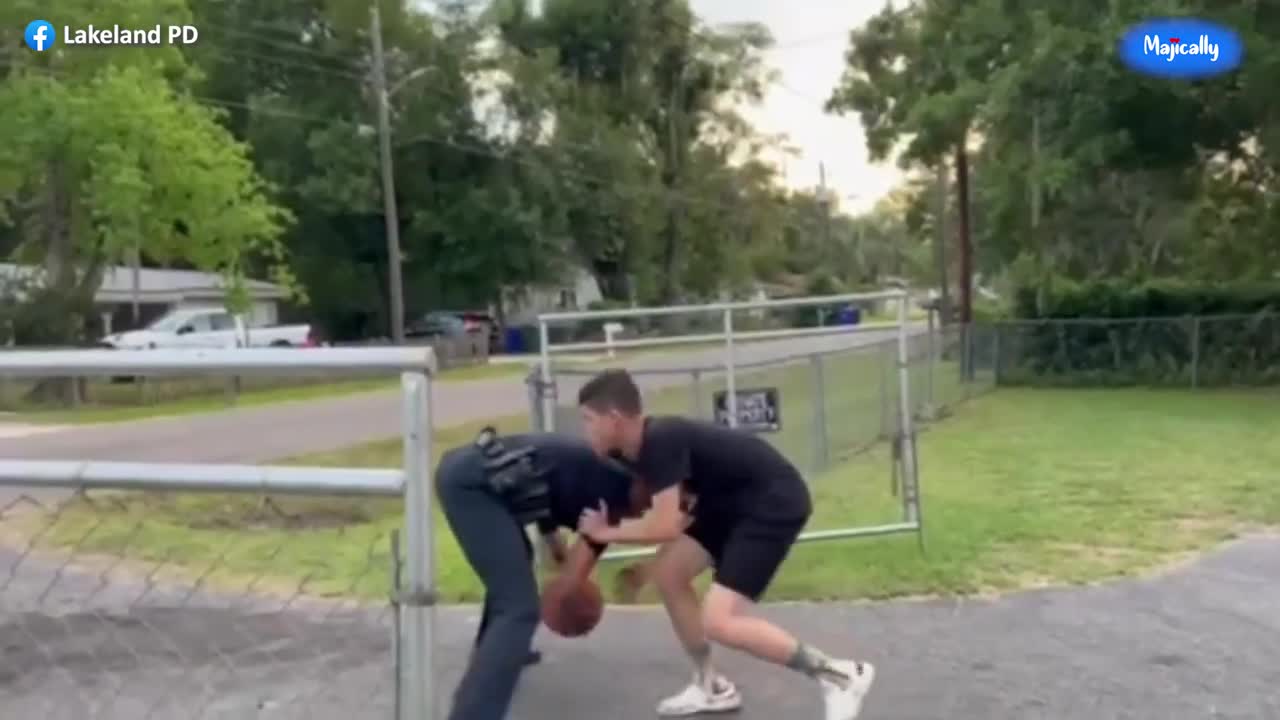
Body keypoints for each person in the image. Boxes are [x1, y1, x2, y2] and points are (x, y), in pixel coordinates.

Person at [574, 369, 875, 720]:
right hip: (727, 503)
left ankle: (840, 675)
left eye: (588, 419)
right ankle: (710, 686)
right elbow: (683, 509)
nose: (585, 429)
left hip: (771, 500)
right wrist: (647, 568)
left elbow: (665, 523)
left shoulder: (660, 439)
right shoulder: (631, 451)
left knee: (719, 620)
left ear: (614, 419)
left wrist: (605, 532)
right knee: (670, 575)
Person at [435, 426, 648, 720]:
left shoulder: (605, 474)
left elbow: (540, 484)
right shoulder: (613, 491)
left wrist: (552, 540)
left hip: (477, 474)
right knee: (520, 608)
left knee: (517, 569)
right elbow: (569, 586)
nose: (647, 513)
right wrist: (574, 608)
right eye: (651, 503)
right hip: (471, 486)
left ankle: (499, 652)